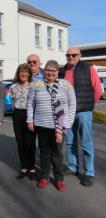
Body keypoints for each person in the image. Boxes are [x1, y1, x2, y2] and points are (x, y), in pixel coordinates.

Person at [27, 60, 76, 191]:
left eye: (53, 71)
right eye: (48, 70)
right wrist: (30, 121)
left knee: (57, 153)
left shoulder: (66, 85)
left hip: (59, 127)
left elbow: (72, 105)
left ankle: (59, 179)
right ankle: (44, 177)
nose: (50, 73)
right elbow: (30, 104)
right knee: (44, 152)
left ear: (57, 72)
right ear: (45, 71)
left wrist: (68, 123)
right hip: (42, 124)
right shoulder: (36, 84)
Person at [59, 47, 102, 187]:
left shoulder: (88, 68)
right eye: (68, 55)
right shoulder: (62, 70)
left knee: (86, 142)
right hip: (68, 113)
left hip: (84, 111)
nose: (70, 57)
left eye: (73, 55)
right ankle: (73, 167)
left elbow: (97, 89)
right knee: (70, 141)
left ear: (80, 55)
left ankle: (89, 172)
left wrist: (90, 106)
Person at [10, 63, 36, 180]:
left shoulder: (34, 86)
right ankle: (23, 168)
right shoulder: (13, 87)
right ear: (18, 73)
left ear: (29, 73)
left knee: (29, 143)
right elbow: (11, 102)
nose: (23, 74)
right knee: (20, 143)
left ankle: (32, 168)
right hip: (17, 116)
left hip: (30, 115)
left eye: (26, 72)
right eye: (21, 72)